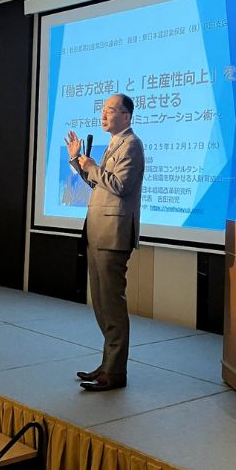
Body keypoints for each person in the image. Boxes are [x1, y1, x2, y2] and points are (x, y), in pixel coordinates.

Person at [65, 94, 145, 391]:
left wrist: (92, 165)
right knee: (101, 303)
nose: (104, 115)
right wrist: (77, 161)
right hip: (98, 232)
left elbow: (120, 186)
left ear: (126, 116)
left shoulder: (132, 145)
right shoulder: (114, 144)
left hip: (113, 234)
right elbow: (98, 184)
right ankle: (108, 365)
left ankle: (115, 372)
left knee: (112, 304)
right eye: (102, 110)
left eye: (110, 110)